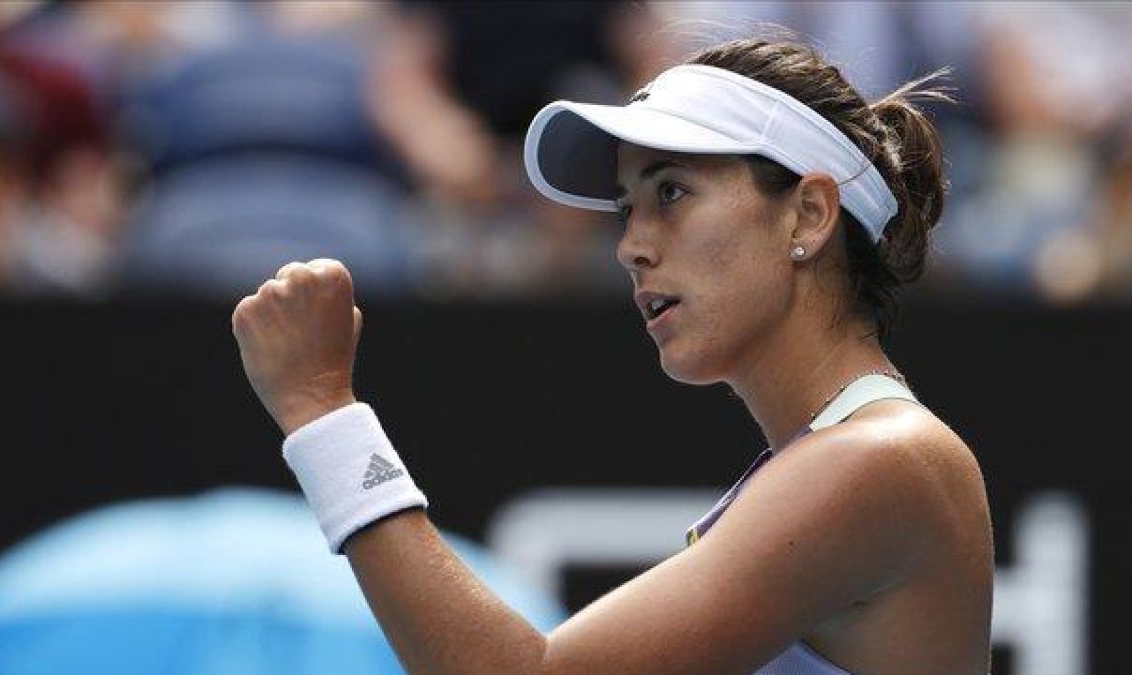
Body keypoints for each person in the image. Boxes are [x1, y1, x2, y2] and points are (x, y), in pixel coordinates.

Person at [231, 37, 994, 674]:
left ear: (810, 212)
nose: (630, 245)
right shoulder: (838, 460)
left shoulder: (881, 459)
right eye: (628, 208)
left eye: (671, 193)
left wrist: (322, 409)